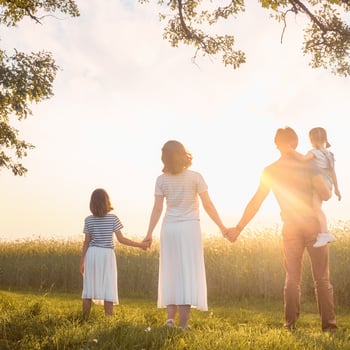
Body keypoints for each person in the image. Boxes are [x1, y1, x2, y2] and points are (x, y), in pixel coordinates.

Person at [227, 127, 337, 332]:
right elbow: (325, 194)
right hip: (314, 224)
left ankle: (290, 324)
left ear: (276, 144)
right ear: (296, 143)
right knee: (321, 278)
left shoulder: (270, 171)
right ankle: (329, 326)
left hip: (290, 226)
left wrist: (239, 228)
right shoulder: (310, 166)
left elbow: (256, 202)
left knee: (292, 277)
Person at [143, 140, 228, 329]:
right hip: (189, 229)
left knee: (171, 272)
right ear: (183, 154)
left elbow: (157, 209)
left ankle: (170, 319)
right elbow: (208, 205)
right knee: (186, 273)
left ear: (164, 157)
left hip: (169, 228)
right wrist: (222, 227)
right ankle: (183, 324)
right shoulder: (196, 177)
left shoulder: (161, 180)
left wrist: (149, 234)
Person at [80, 188, 149, 318]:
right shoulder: (113, 218)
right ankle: (109, 318)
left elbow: (86, 242)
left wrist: (82, 261)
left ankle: (84, 318)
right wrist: (141, 245)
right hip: (106, 254)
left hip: (92, 254)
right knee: (108, 286)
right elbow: (121, 239)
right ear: (107, 201)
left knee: (88, 288)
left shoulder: (88, 220)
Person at [288, 127, 341, 247]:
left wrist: (291, 151)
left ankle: (325, 233)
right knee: (317, 208)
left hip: (319, 183)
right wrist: (337, 190)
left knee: (316, 208)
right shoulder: (330, 154)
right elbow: (333, 173)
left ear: (312, 140)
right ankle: (322, 232)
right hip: (328, 184)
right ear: (325, 139)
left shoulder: (313, 152)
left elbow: (302, 159)